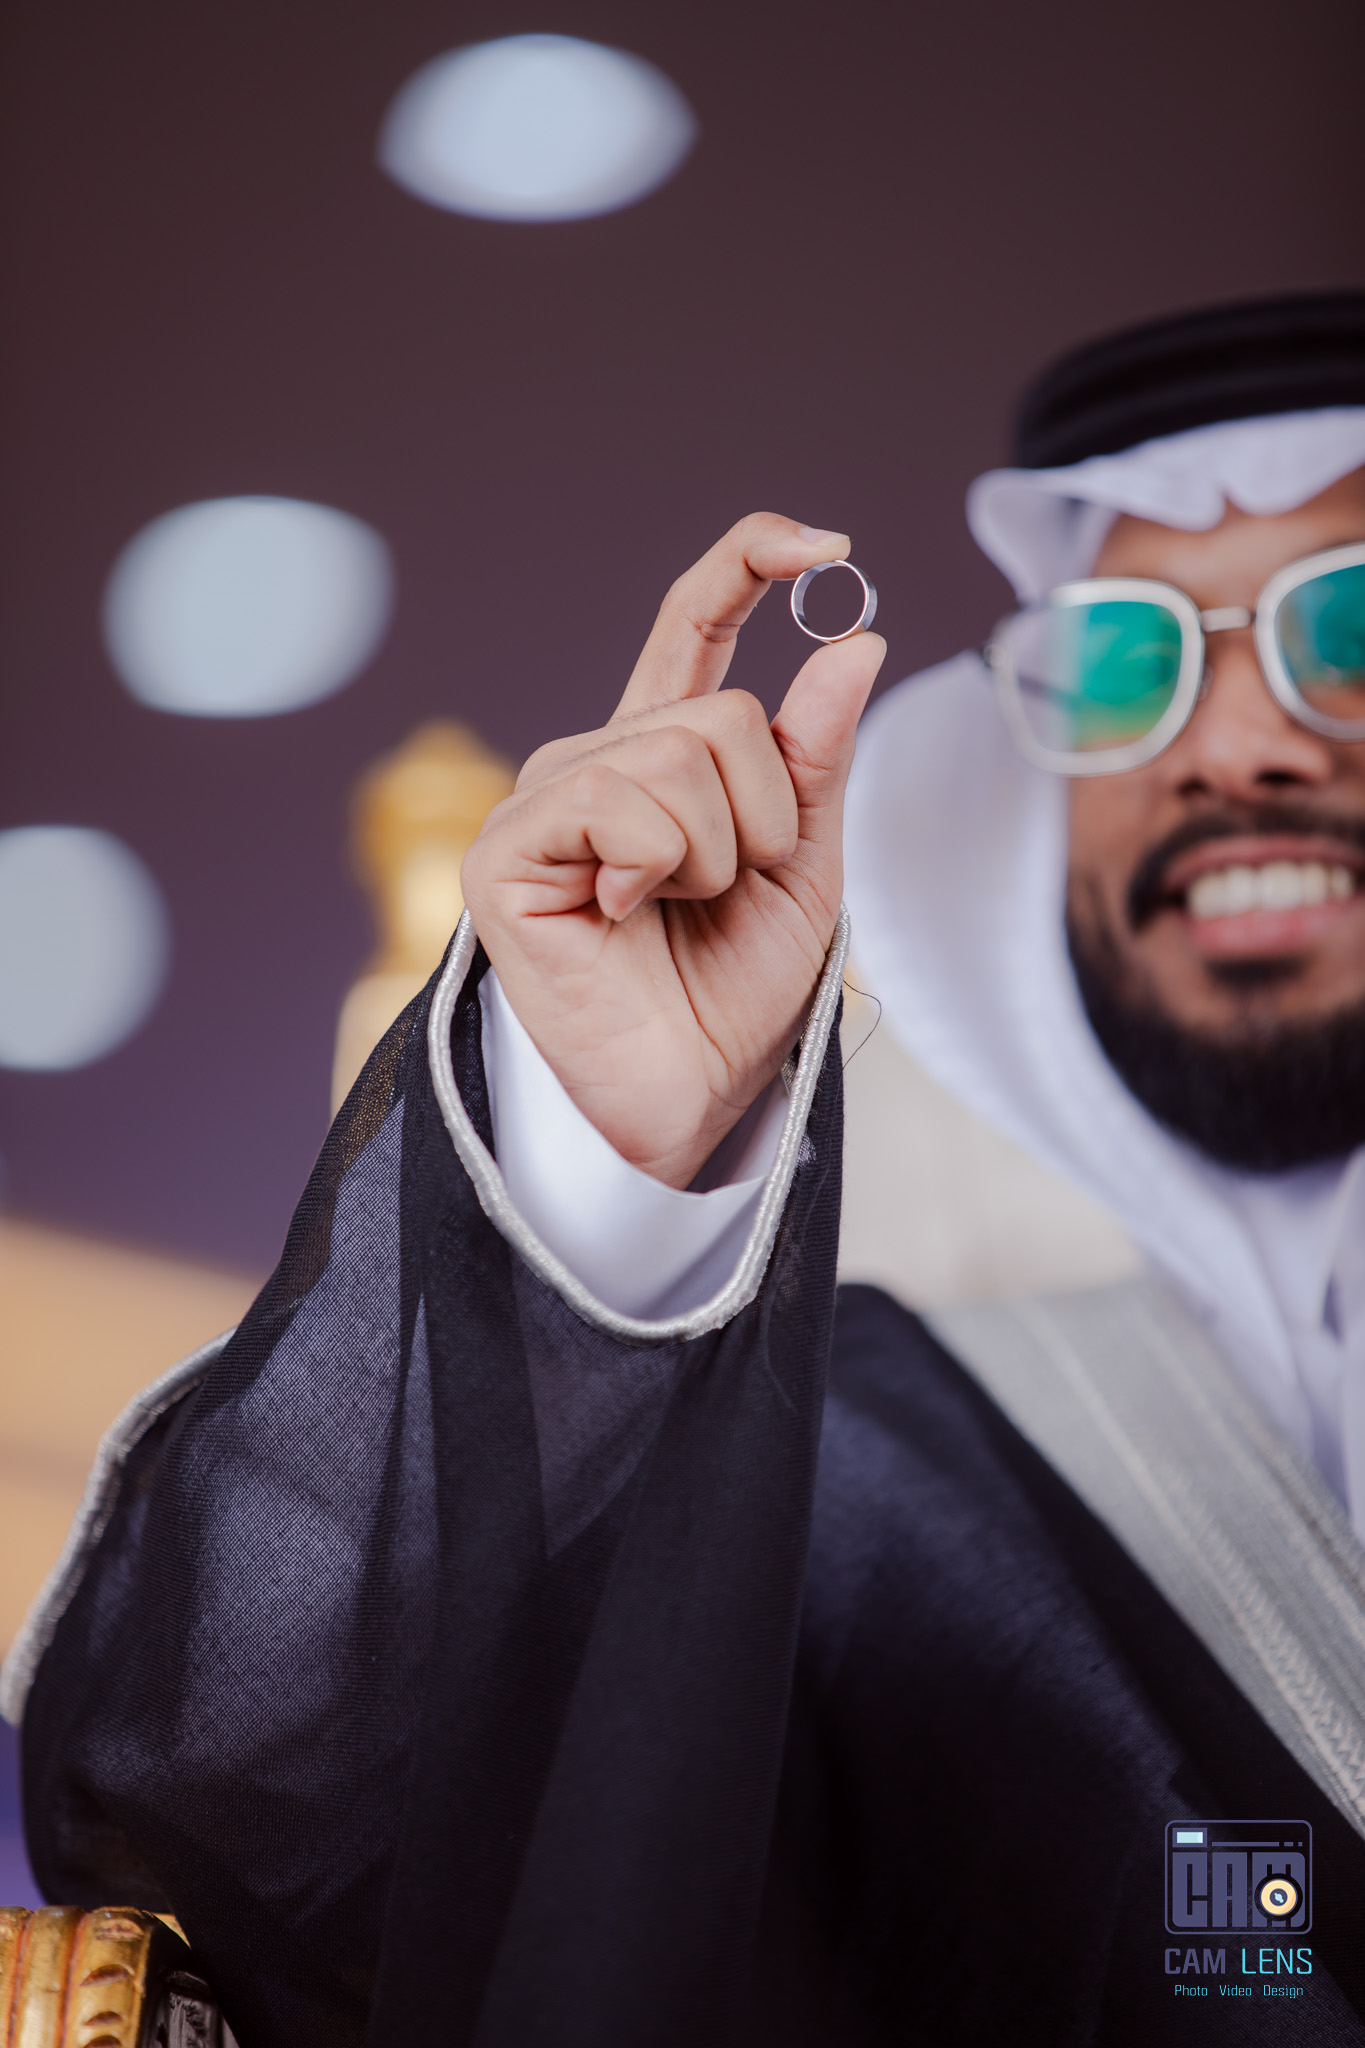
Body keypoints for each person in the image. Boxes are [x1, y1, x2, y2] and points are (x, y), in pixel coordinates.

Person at [7, 293, 1365, 2047]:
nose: (1238, 745)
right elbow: (274, 1834)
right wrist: (604, 1171)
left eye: (1348, 631)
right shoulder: (867, 1432)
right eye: (1128, 661)